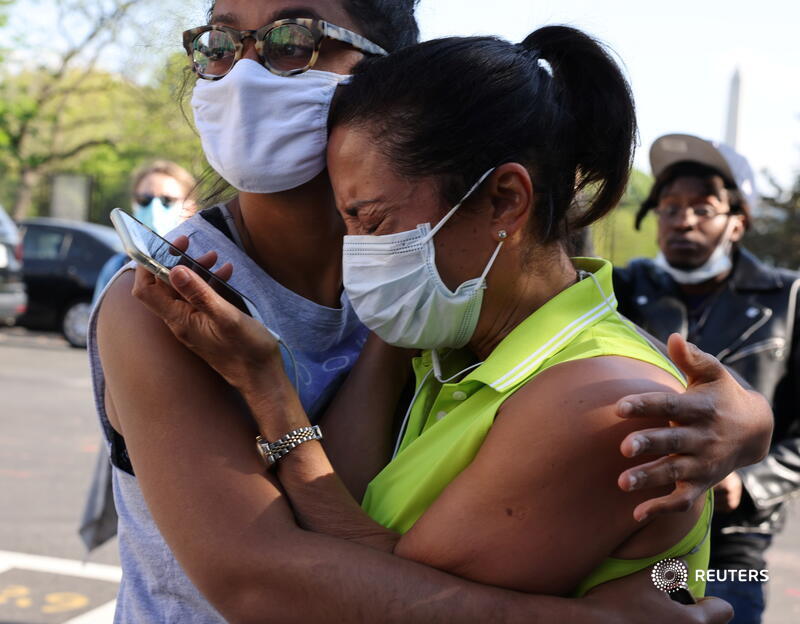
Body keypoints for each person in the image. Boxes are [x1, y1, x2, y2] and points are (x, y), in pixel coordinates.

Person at [93, 2, 769, 622]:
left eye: (293, 38)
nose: (245, 71)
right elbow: (274, 572)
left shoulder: (446, 296)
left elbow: (380, 588)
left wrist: (736, 460)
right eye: (219, 40)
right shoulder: (177, 302)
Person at [614, 134, 800, 623]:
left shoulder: (790, 297)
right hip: (635, 530)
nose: (682, 220)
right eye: (670, 207)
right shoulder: (619, 288)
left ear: (737, 222)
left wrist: (749, 483)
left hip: (732, 543)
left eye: (703, 207)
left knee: (723, 610)